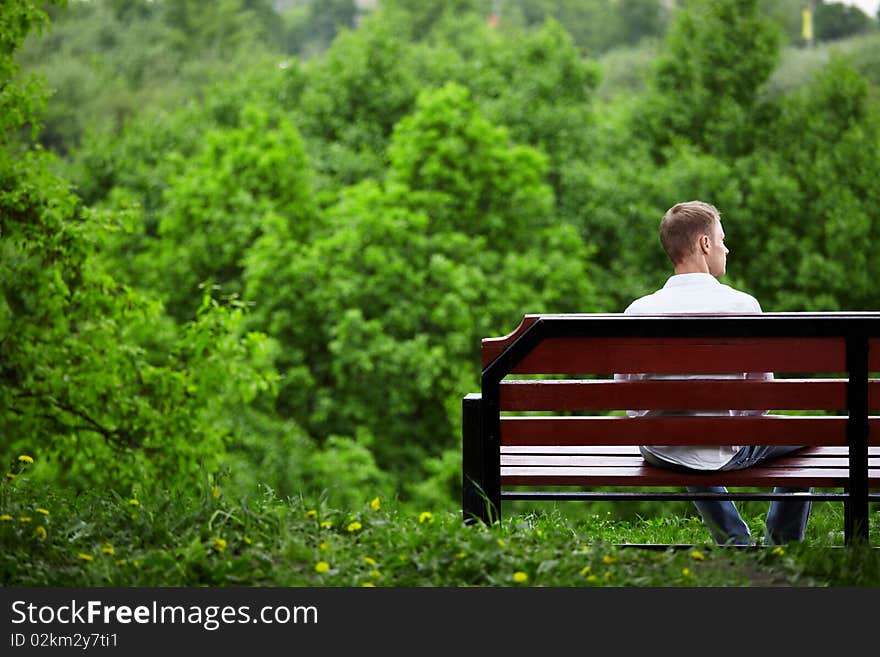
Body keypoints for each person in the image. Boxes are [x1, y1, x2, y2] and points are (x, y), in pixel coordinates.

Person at [618, 200, 811, 546]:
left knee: (691, 435)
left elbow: (629, 403)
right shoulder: (743, 306)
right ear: (705, 244)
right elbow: (761, 402)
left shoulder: (638, 310)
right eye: (721, 239)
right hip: (723, 447)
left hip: (662, 447)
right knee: (811, 436)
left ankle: (735, 539)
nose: (726, 247)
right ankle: (781, 544)